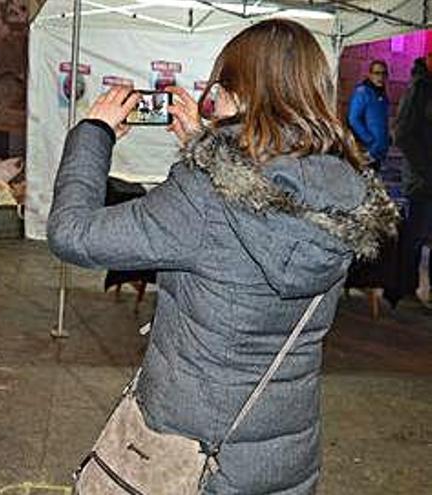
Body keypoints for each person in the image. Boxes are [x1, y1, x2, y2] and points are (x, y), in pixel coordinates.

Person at [47, 19, 398, 493]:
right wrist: (204, 147)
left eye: (219, 89)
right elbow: (259, 207)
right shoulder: (342, 189)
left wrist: (94, 133)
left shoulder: (204, 196)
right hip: (283, 452)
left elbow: (73, 232)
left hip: (192, 452)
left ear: (237, 94)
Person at [395, 54, 432, 304]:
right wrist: (426, 170)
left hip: (426, 177)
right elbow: (403, 133)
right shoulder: (419, 87)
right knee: (415, 236)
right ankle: (404, 289)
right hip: (422, 182)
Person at [348, 60, 391, 169]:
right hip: (367, 150)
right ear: (370, 74)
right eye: (377, 73)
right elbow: (353, 119)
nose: (380, 77)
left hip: (377, 152)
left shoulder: (381, 94)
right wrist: (368, 139)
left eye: (384, 73)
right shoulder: (362, 92)